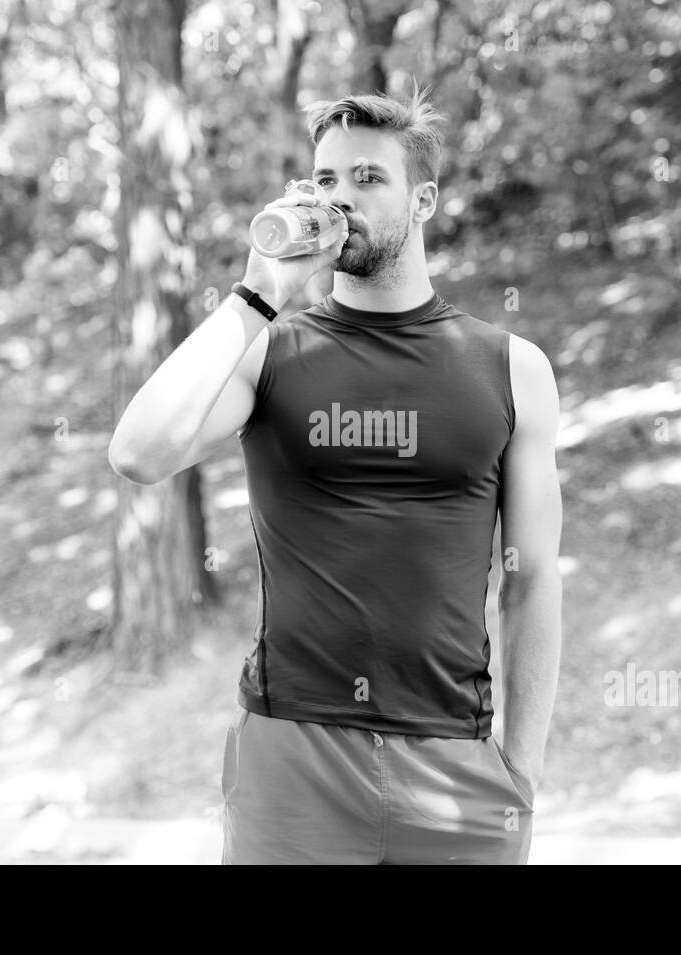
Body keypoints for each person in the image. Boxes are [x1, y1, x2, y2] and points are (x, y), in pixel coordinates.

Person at [108, 86, 562, 864]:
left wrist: (521, 771)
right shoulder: (271, 352)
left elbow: (532, 580)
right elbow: (138, 453)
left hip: (454, 763)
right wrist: (257, 297)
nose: (339, 198)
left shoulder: (511, 368)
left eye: (366, 178)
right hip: (293, 757)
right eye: (324, 179)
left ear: (422, 200)